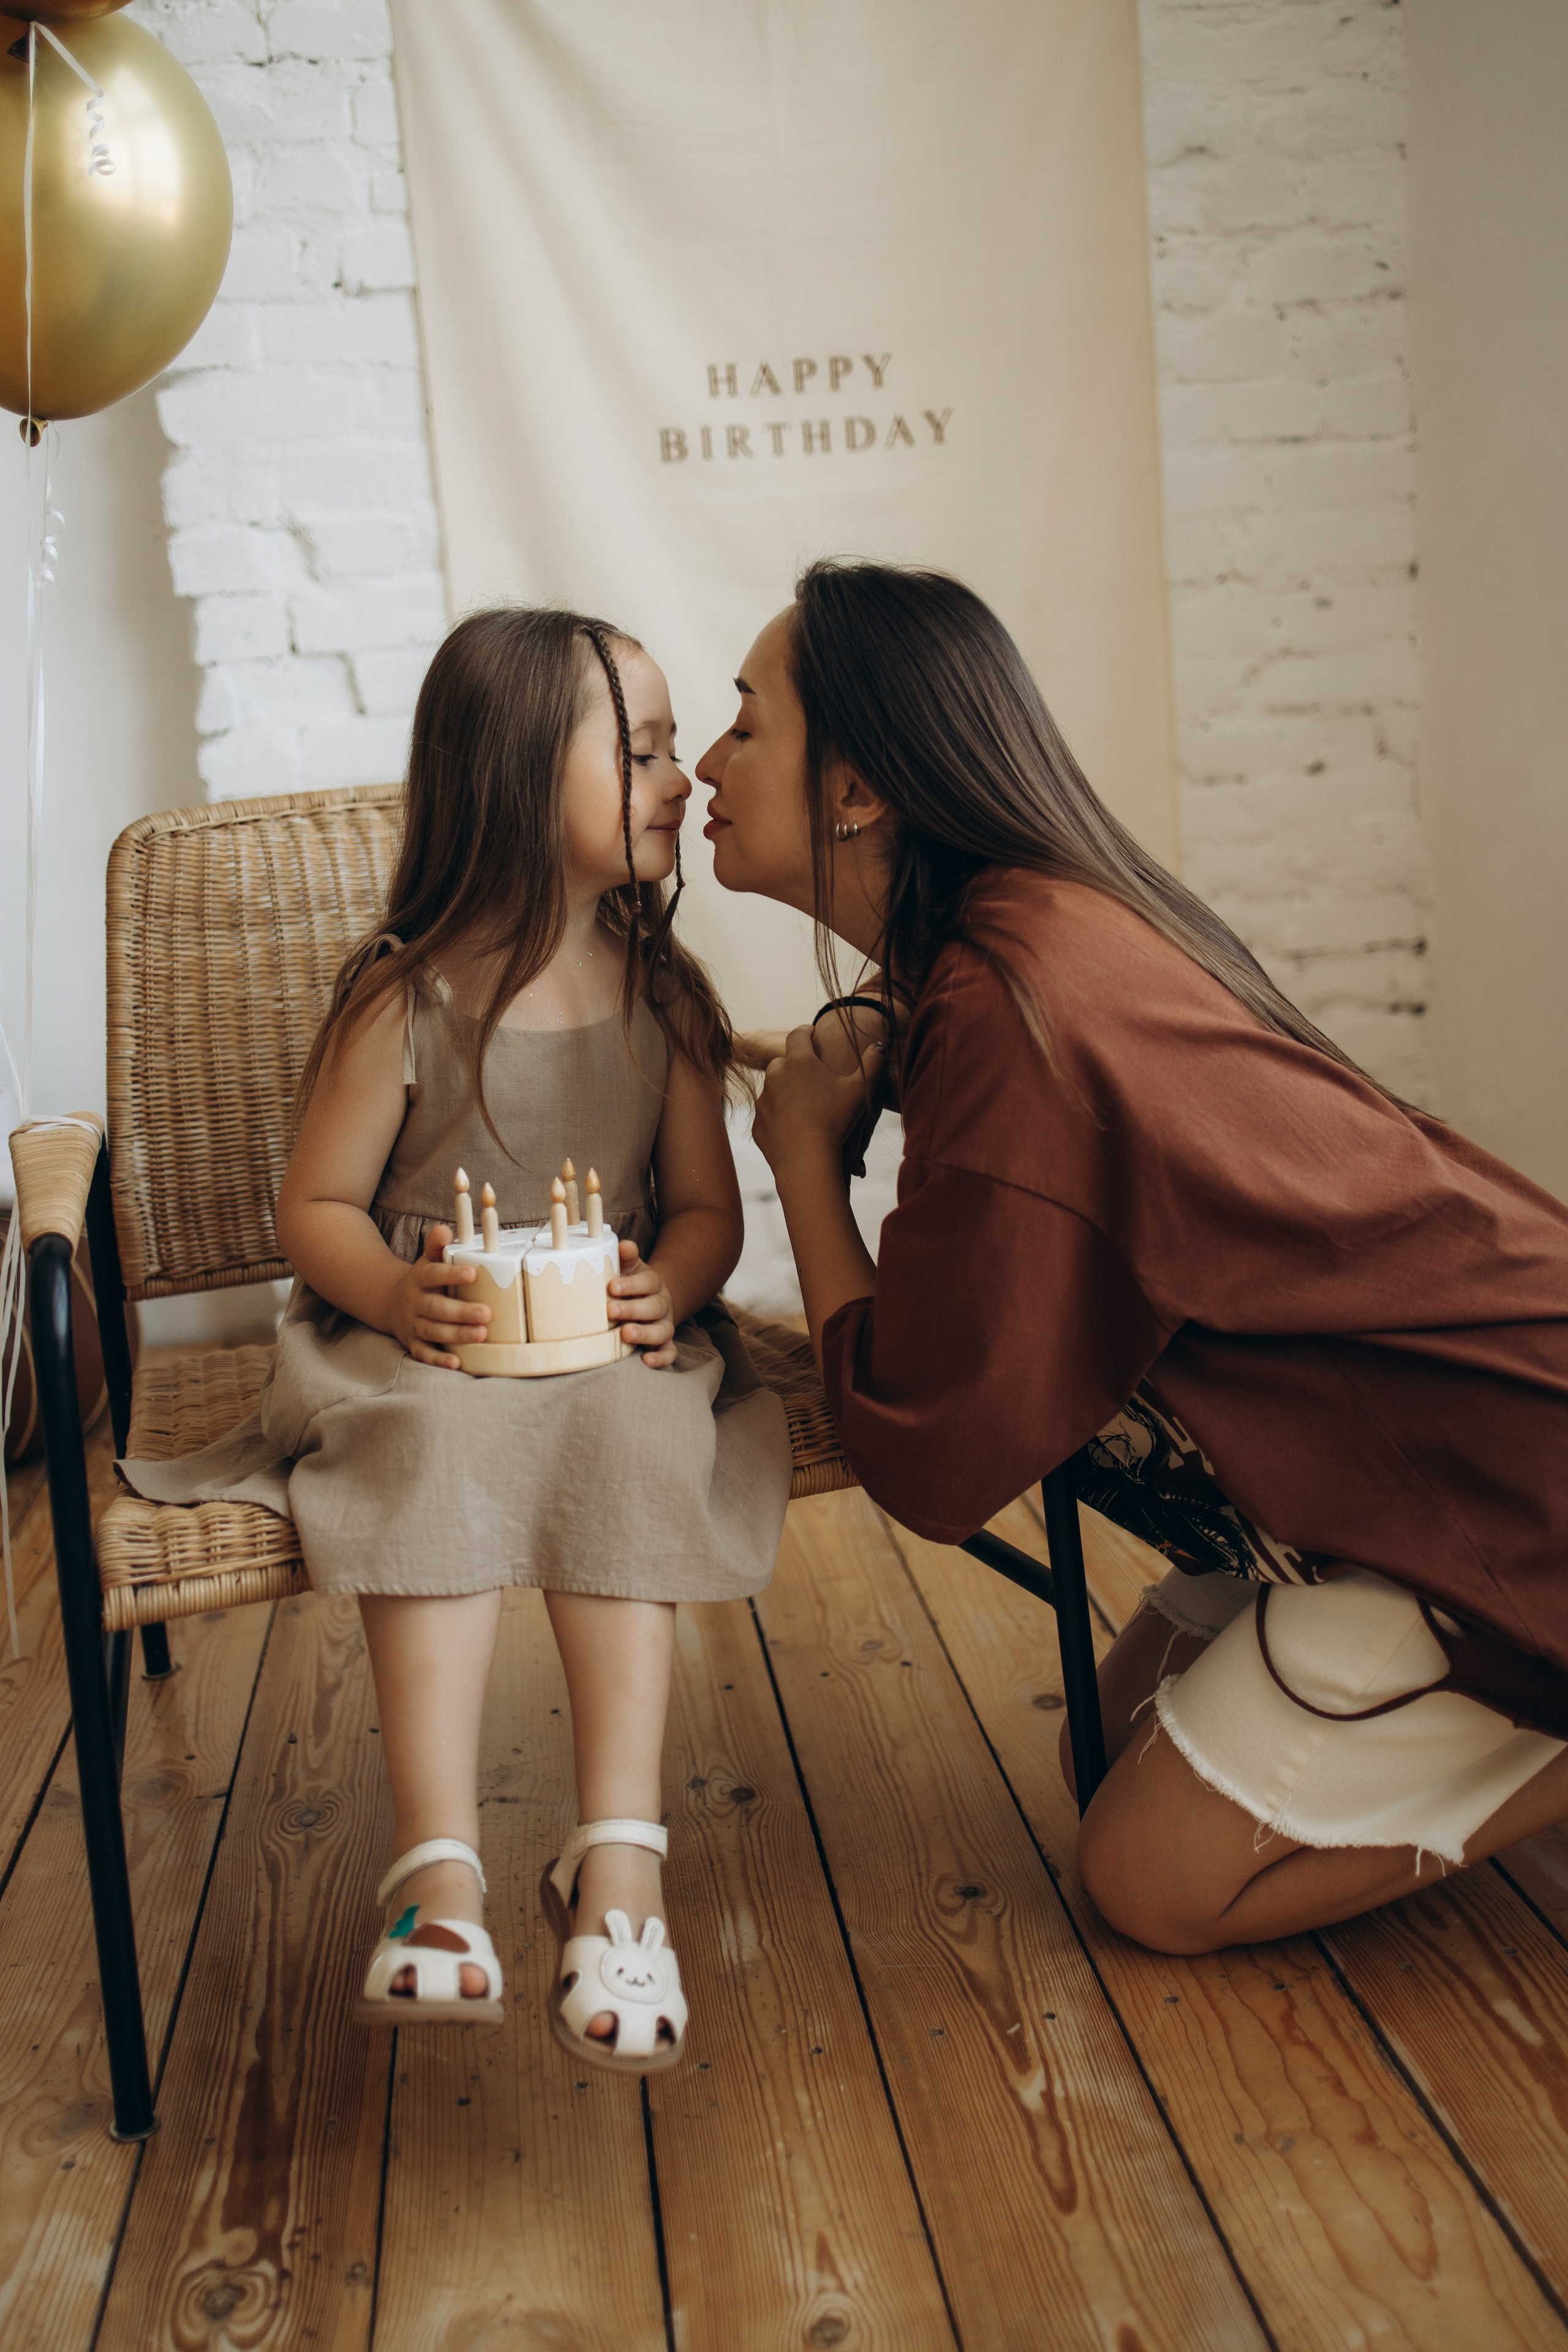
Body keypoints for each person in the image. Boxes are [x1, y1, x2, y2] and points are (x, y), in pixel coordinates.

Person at [695, 557, 1568, 1955]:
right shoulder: (1019, 927)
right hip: (1421, 1431)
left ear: (854, 786)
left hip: (1495, 1480)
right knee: (1101, 1758)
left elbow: (926, 1446)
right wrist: (875, 1028)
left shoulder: (1012, 1005)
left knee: (1145, 1881)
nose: (703, 763)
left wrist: (801, 1159)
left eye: (744, 724)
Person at [123, 608, 791, 2059]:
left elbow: (704, 1214)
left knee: (633, 1435)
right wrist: (389, 1295)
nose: (680, 777)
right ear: (514, 777)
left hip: (601, 1348)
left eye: (674, 748)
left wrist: (671, 1289)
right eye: (641, 752)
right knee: (429, 1445)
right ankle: (435, 1872)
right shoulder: (405, 996)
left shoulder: (661, 994)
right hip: (417, 1343)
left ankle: (619, 1868)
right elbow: (315, 1208)